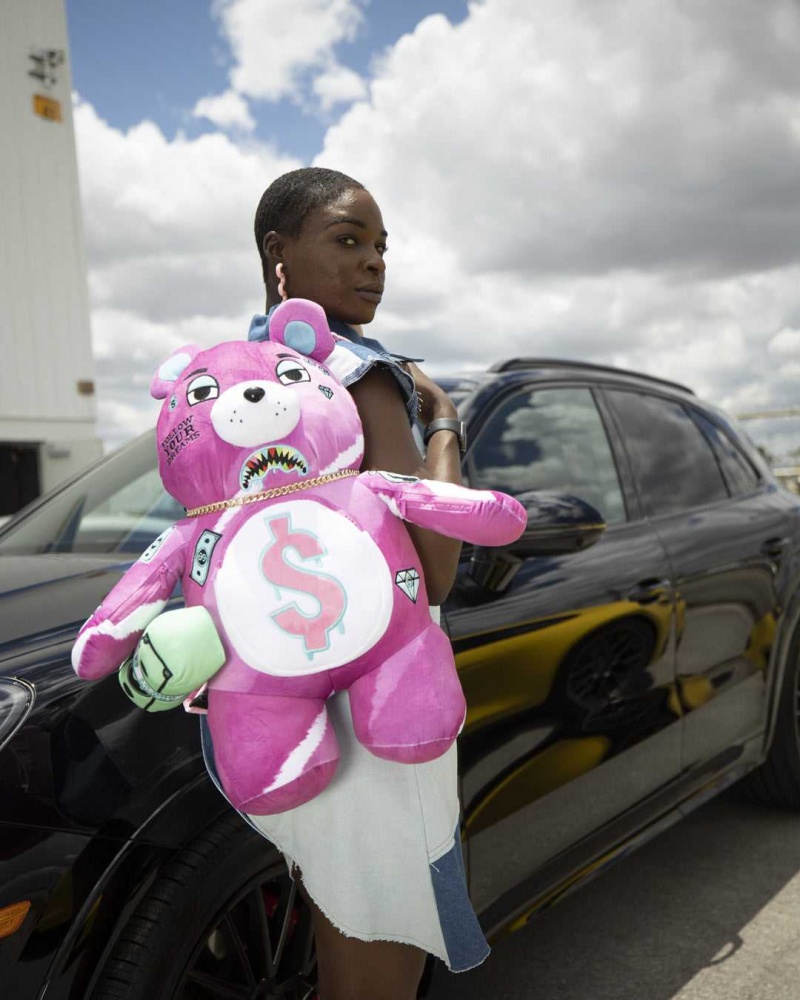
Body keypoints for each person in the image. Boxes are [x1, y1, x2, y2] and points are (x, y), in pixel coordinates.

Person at [201, 166, 490, 1000]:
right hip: (376, 706)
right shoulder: (361, 373)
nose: (375, 264)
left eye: (381, 247)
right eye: (349, 239)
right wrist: (440, 418)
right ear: (277, 252)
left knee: (332, 939)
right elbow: (434, 565)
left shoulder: (234, 378)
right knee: (377, 951)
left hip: (260, 701)